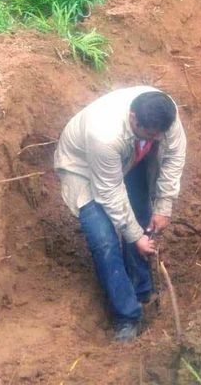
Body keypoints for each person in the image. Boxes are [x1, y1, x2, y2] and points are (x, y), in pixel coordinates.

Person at [54, 86, 187, 341]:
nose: (156, 138)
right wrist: (135, 237)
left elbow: (174, 157)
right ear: (133, 118)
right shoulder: (103, 134)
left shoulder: (163, 113)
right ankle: (126, 316)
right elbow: (110, 192)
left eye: (159, 135)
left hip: (125, 155)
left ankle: (142, 290)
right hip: (82, 170)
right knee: (104, 240)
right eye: (150, 134)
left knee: (140, 215)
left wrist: (164, 207)